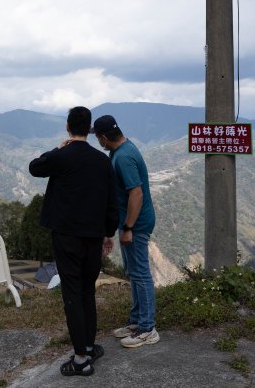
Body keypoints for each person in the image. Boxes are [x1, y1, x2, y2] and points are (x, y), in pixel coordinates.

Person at [30, 106, 119, 377]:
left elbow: (35, 167)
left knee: (72, 293)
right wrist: (108, 233)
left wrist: (58, 149)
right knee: (87, 290)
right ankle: (89, 346)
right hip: (94, 236)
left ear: (68, 127)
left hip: (67, 236)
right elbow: (111, 202)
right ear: (89, 129)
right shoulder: (102, 161)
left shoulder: (62, 156)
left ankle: (80, 359)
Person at [91, 114, 159, 348]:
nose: (97, 141)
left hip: (137, 223)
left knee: (140, 273)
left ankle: (147, 328)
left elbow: (136, 193)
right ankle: (137, 320)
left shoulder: (123, 157)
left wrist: (128, 227)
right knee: (134, 272)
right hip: (130, 222)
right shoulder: (121, 150)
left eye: (97, 137)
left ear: (102, 137)